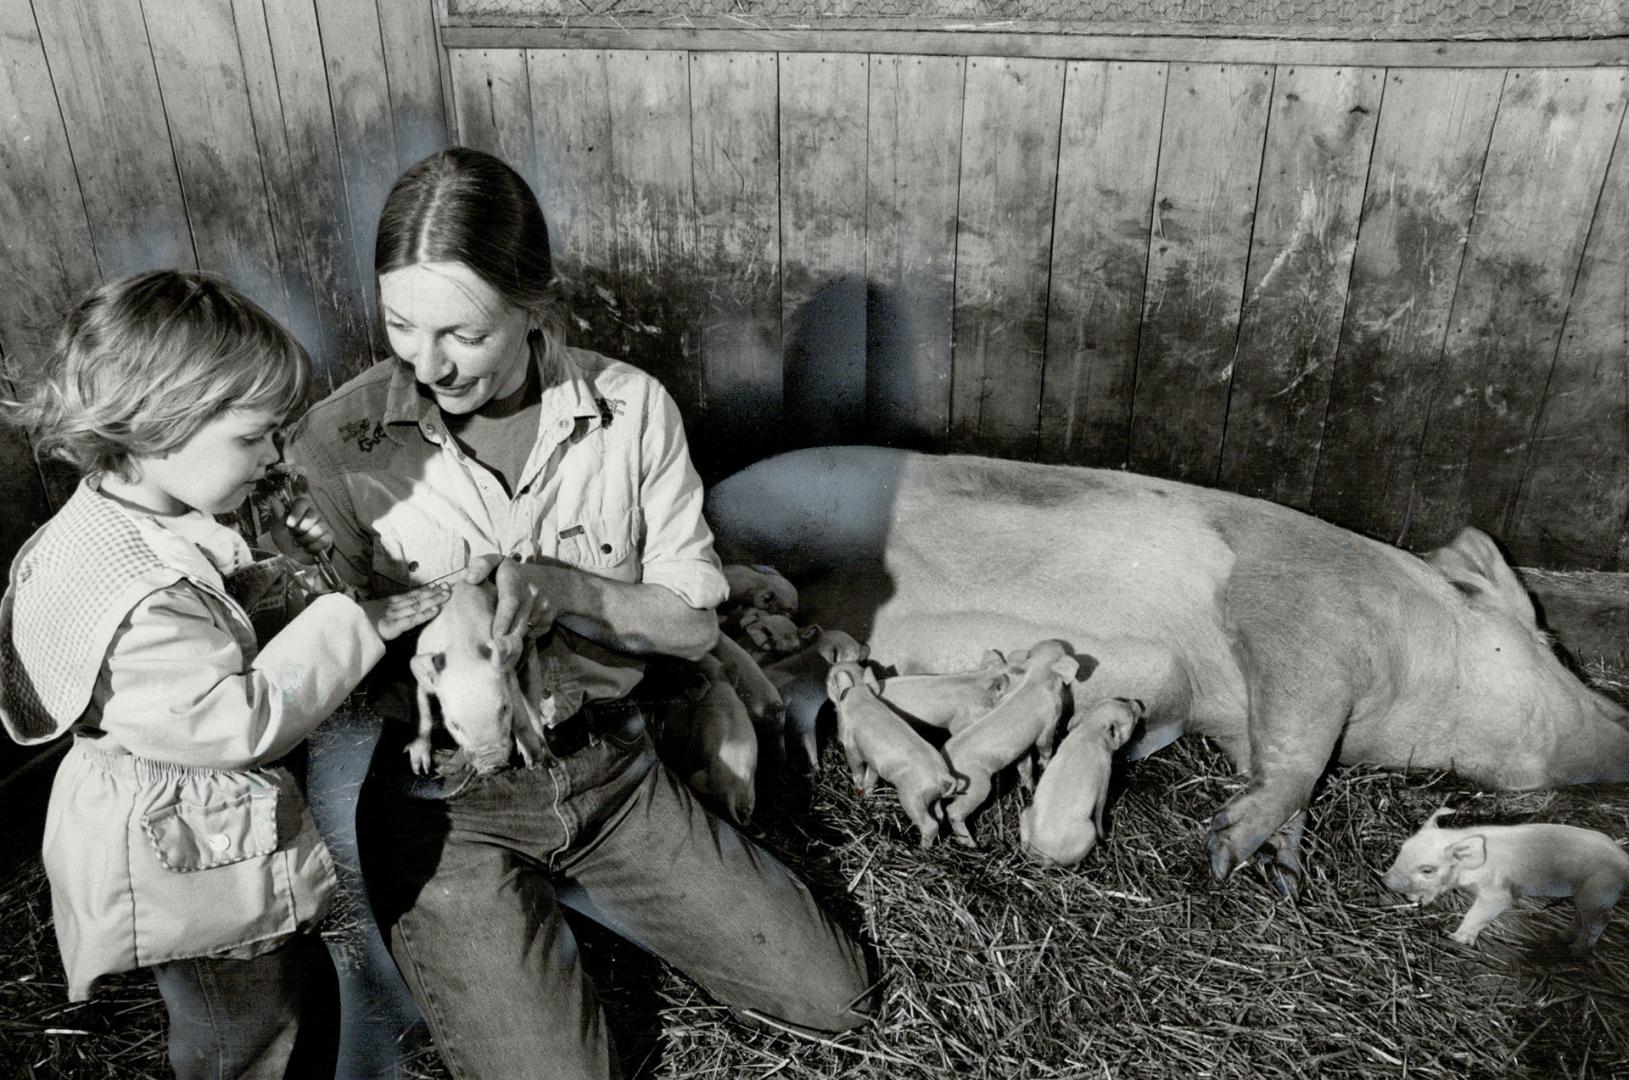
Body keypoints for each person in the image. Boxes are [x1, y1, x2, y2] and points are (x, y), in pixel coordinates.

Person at [284, 146, 875, 1079]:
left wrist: (564, 588)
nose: (427, 362)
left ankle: (576, 906)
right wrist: (417, 629)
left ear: (534, 308)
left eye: (464, 334)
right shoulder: (336, 442)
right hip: (445, 801)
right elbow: (317, 663)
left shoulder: (630, 408)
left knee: (836, 1002)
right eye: (401, 324)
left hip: (613, 770)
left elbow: (689, 625)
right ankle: (494, 927)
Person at [0, 270, 450, 1080]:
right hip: (192, 872)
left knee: (288, 999)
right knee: (245, 1039)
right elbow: (237, 716)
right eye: (254, 437)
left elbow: (215, 619)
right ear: (155, 424)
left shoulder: (130, 514)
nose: (275, 453)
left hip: (202, 844)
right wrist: (362, 621)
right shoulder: (141, 596)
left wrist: (288, 560)